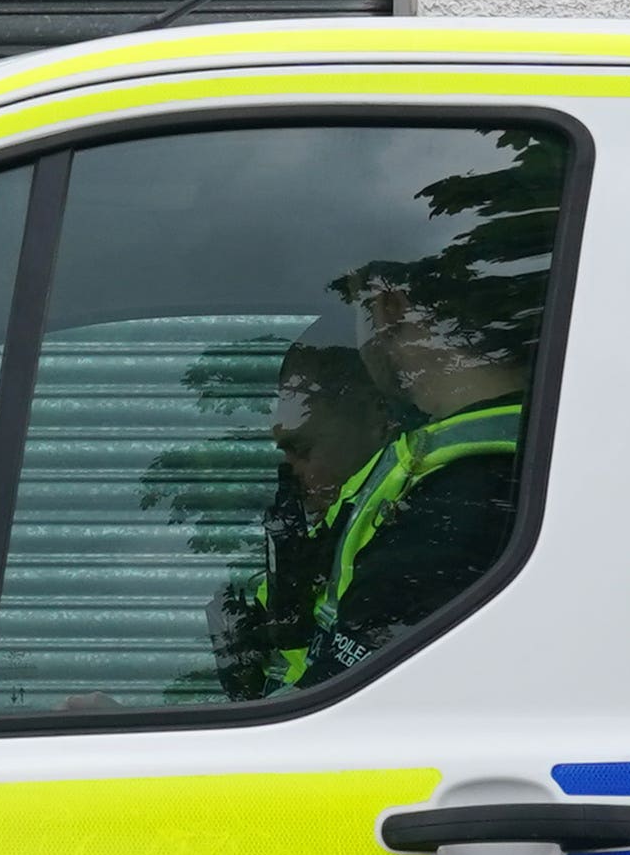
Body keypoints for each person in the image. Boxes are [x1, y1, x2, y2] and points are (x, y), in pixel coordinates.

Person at [217, 274, 532, 699]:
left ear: (388, 305)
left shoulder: (453, 505)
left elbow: (326, 716)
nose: (291, 474)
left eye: (302, 449)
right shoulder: (524, 455)